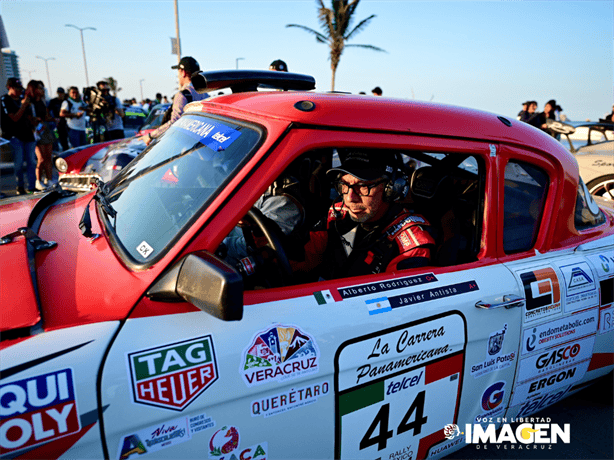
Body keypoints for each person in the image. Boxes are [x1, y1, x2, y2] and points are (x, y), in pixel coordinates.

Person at [293, 150, 435, 280]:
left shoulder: (410, 246)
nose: (349, 198)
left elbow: (395, 302)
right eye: (344, 185)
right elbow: (305, 258)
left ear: (391, 189)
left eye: (362, 186)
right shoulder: (338, 214)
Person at [143, 56, 209, 146]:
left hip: (186, 145)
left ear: (183, 72)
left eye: (178, 72)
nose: (178, 76)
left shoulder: (182, 95)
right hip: (202, 145)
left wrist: (150, 136)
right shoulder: (206, 94)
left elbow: (175, 122)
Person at [0, 78, 36, 194]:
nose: (20, 91)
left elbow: (30, 117)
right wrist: (23, 106)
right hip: (14, 136)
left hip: (28, 135)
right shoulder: (5, 100)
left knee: (31, 162)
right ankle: (20, 186)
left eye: (21, 89)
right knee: (19, 163)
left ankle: (32, 187)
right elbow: (14, 118)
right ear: (10, 87)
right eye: (17, 89)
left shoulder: (22, 99)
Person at [28, 80, 56, 189]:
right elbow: (27, 117)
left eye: (42, 88)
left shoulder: (43, 101)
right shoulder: (28, 102)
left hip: (45, 130)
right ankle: (38, 181)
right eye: (39, 88)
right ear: (33, 89)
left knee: (48, 157)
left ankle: (49, 180)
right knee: (41, 159)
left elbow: (46, 116)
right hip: (36, 132)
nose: (41, 90)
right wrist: (34, 120)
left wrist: (54, 119)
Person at [48, 87, 69, 151]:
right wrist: (52, 119)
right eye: (59, 93)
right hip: (57, 123)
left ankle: (66, 149)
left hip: (67, 122)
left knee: (66, 139)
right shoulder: (53, 101)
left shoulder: (66, 101)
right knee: (58, 138)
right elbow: (47, 111)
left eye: (61, 93)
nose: (60, 94)